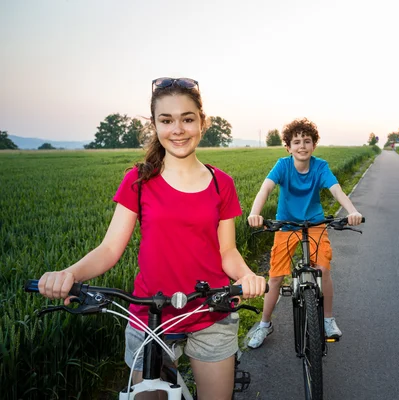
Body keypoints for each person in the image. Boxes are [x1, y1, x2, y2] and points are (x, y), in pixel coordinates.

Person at [37, 77, 266, 400]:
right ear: (154, 125)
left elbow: (227, 250)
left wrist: (246, 276)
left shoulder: (221, 183)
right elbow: (109, 249)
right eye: (166, 120)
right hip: (150, 314)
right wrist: (69, 274)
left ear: (203, 122)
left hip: (209, 310)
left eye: (187, 119)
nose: (178, 129)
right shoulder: (139, 180)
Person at [246, 118, 362, 349]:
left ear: (314, 145)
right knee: (276, 277)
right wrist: (254, 213)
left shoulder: (320, 167)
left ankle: (328, 320)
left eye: (307, 141)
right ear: (288, 147)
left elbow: (336, 190)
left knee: (323, 270)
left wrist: (352, 211)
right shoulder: (283, 165)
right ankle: (264, 324)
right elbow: (265, 188)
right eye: (296, 141)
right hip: (286, 225)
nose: (302, 146)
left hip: (315, 224)